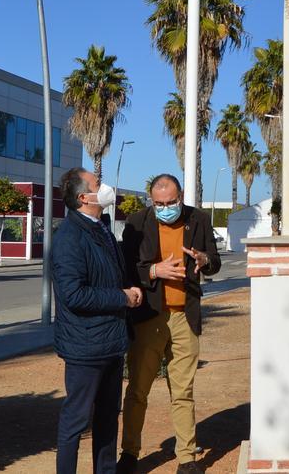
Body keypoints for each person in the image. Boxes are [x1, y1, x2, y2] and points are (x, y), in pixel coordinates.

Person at [117, 174, 222, 474]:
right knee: (137, 390)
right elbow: (126, 268)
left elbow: (214, 260)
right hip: (150, 317)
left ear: (181, 196)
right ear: (151, 200)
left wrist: (204, 260)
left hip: (184, 317)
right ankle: (129, 454)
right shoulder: (136, 222)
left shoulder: (199, 220)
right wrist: (154, 271)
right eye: (158, 203)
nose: (165, 208)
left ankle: (187, 459)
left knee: (183, 391)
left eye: (171, 202)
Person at [52, 167, 143, 474]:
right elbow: (73, 295)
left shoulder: (101, 226)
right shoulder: (69, 237)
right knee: (75, 422)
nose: (105, 187)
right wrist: (122, 297)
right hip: (85, 346)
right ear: (83, 197)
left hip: (111, 342)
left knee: (107, 418)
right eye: (98, 184)